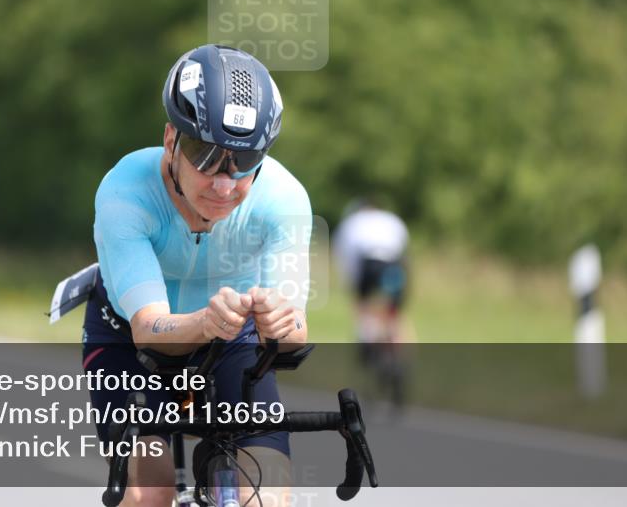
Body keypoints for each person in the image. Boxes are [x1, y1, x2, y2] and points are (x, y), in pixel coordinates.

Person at [81, 44, 312, 507]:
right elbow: (148, 328)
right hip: (129, 341)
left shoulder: (283, 200)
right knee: (150, 492)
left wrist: (279, 324)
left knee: (267, 495)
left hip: (232, 338)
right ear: (171, 139)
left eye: (245, 160)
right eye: (205, 155)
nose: (224, 182)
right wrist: (205, 322)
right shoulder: (125, 192)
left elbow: (294, 336)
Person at [332, 200, 414, 399]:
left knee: (364, 309)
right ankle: (400, 362)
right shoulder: (392, 220)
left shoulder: (351, 222)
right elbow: (404, 251)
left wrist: (353, 289)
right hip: (395, 265)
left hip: (370, 265)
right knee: (394, 315)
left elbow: (346, 260)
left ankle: (367, 340)